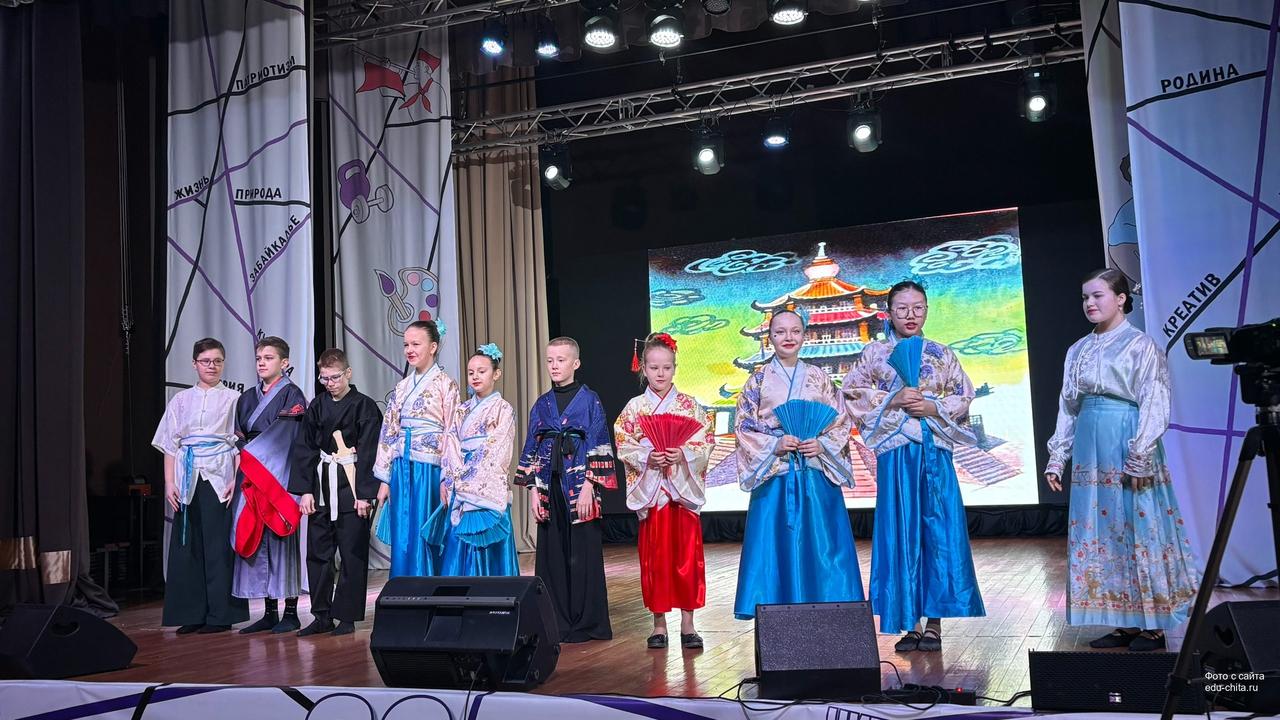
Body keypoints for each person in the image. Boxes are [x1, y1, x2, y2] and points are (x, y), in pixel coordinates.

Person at [1045, 268, 1200, 652]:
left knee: (1137, 524)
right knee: (1102, 528)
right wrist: (1057, 456)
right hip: (1089, 443)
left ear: (1121, 298)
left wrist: (1140, 453)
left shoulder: (1140, 345)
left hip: (1126, 438)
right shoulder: (1078, 350)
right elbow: (1068, 406)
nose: (1090, 303)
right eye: (1085, 297)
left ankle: (1153, 625)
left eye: (1097, 295)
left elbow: (1154, 399)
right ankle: (1123, 620)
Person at [842, 281, 985, 653]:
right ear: (888, 312)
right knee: (900, 531)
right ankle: (911, 622)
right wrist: (894, 399)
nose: (910, 315)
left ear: (926, 310)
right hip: (896, 453)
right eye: (902, 308)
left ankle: (934, 622)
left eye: (918, 307)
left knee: (938, 530)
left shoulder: (942, 353)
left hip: (933, 449)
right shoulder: (874, 353)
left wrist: (932, 407)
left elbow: (963, 394)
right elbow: (852, 392)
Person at [733, 308, 864, 620]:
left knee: (823, 547)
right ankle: (778, 621)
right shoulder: (758, 381)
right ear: (770, 337)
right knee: (774, 548)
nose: (788, 337)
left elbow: (840, 421)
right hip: (775, 476)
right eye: (780, 332)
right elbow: (743, 427)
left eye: (795, 331)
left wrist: (821, 444)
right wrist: (774, 445)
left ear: (805, 335)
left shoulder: (820, 378)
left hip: (815, 472)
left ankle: (829, 616)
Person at [614, 333, 713, 650]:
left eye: (667, 367)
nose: (660, 373)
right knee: (655, 560)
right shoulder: (634, 408)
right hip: (653, 490)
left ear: (675, 368)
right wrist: (648, 456)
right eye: (654, 367)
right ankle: (658, 625)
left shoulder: (689, 406)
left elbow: (705, 441)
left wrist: (682, 453)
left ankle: (688, 624)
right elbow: (623, 443)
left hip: (681, 491)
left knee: (687, 559)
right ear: (643, 367)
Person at [515, 336, 616, 642]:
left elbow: (599, 441)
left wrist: (589, 487)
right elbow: (531, 447)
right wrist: (534, 492)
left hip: (580, 485)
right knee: (552, 556)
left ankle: (587, 623)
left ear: (576, 363)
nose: (554, 366)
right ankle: (554, 622)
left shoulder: (590, 400)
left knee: (583, 554)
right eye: (550, 360)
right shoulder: (542, 404)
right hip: (549, 486)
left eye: (561, 360)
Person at [152, 337, 247, 634]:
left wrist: (236, 479)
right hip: (187, 476)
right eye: (206, 361)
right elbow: (170, 444)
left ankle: (221, 615)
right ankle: (191, 613)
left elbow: (240, 444)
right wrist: (169, 482)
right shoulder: (181, 400)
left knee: (219, 546)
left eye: (217, 361)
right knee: (187, 545)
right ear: (194, 364)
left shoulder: (234, 399)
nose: (212, 366)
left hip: (220, 475)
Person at [290, 348, 382, 636]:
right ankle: (321, 615)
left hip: (351, 487)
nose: (330, 383)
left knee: (352, 553)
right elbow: (305, 448)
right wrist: (305, 491)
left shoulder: (365, 407)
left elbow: (370, 452)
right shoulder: (317, 406)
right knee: (318, 552)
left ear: (348, 373)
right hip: (321, 485)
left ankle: (347, 617)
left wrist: (365, 495)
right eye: (324, 378)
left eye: (335, 377)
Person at [231, 336, 308, 634]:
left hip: (279, 474)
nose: (262, 363)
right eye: (259, 358)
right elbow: (239, 435)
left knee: (280, 537)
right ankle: (268, 611)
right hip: (252, 474)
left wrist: (259, 458)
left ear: (284, 362)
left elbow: (289, 435)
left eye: (269, 358)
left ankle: (291, 612)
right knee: (256, 535)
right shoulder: (246, 398)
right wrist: (250, 459)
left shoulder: (292, 394)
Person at [373, 319, 461, 577]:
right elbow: (389, 430)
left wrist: (447, 477)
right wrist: (385, 478)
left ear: (433, 347)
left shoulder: (446, 384)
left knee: (424, 530)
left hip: (430, 469)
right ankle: (403, 587)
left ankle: (428, 588)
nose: (409, 350)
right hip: (402, 467)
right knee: (403, 530)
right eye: (406, 345)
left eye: (416, 344)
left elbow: (452, 432)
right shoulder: (402, 387)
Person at [426, 343, 519, 576]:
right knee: (458, 542)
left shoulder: (503, 409)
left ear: (496, 374)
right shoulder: (461, 410)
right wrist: (449, 479)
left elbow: (498, 448)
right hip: (461, 480)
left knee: (488, 541)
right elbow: (451, 445)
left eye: (482, 371)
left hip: (487, 483)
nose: (475, 376)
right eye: (470, 372)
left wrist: (468, 477)